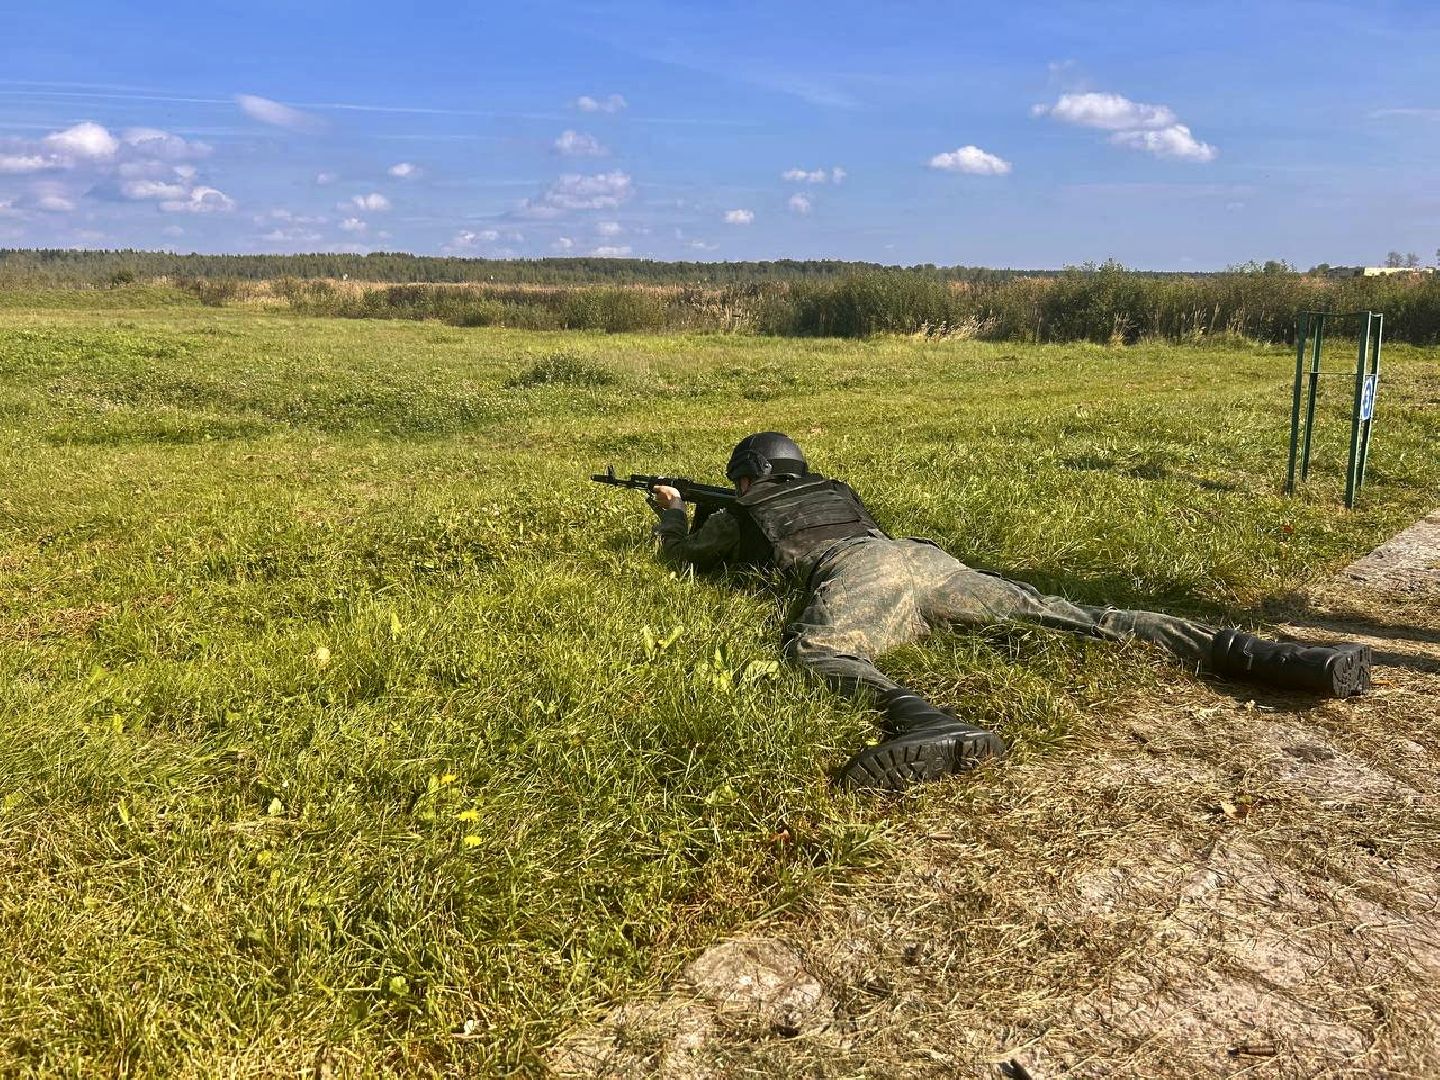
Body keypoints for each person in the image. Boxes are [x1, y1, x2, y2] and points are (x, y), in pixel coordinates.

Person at [648, 432, 1373, 792]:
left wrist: (674, 515)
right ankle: (1272, 656)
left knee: (820, 653)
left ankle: (928, 721)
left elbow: (685, 563)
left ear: (749, 477)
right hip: (925, 556)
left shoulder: (746, 507)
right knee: (1077, 614)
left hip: (861, 571)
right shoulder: (833, 491)